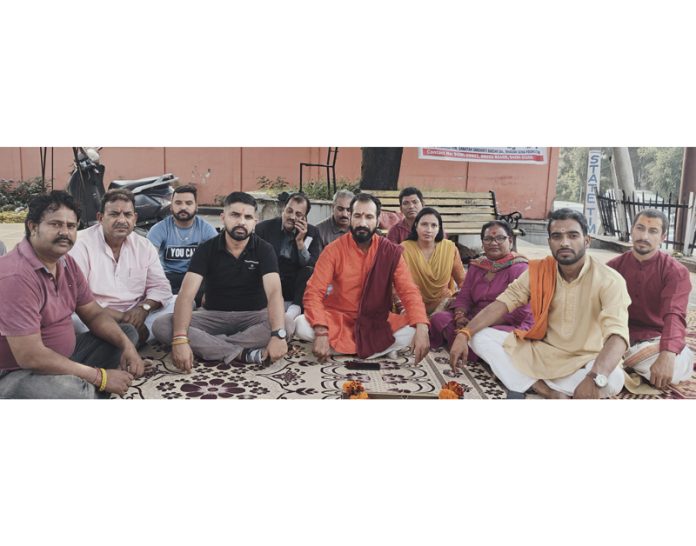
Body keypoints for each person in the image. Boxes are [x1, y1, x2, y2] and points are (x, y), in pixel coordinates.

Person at [449, 208, 631, 399]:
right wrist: (465, 333)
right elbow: (503, 303)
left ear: (586, 241)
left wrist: (594, 377)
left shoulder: (609, 280)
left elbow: (618, 335)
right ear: (549, 242)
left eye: (572, 235)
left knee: (614, 379)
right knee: (480, 336)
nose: (564, 242)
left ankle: (524, 381)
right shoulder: (539, 271)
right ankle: (546, 390)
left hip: (586, 360)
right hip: (543, 351)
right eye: (557, 236)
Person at [0, 191, 142, 398]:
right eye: (55, 224)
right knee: (73, 391)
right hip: (17, 372)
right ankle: (85, 389)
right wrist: (100, 377)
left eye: (71, 226)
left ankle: (82, 385)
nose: (65, 232)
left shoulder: (66, 262)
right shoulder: (15, 275)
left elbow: (93, 314)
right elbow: (30, 356)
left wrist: (128, 347)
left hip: (65, 357)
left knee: (126, 334)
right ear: (32, 227)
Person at [152, 191, 293, 370]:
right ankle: (241, 353)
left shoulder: (264, 250)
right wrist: (180, 338)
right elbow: (186, 295)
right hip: (212, 316)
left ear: (254, 222)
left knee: (286, 324)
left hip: (253, 315)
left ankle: (213, 345)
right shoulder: (206, 249)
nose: (241, 222)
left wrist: (278, 335)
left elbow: (274, 293)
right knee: (162, 325)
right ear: (223, 217)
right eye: (235, 215)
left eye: (248, 217)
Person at [295, 193, 430, 363]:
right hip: (339, 319)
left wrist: (422, 327)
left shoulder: (389, 251)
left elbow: (409, 290)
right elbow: (313, 292)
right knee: (301, 324)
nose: (362, 223)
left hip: (376, 321)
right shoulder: (333, 250)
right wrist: (321, 332)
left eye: (369, 217)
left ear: (377, 219)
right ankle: (378, 349)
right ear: (350, 216)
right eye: (357, 216)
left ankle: (341, 350)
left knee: (414, 325)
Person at [70, 188, 174, 345]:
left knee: (179, 303)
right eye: (114, 214)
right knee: (73, 320)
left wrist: (143, 309)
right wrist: (123, 318)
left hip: (137, 313)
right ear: (100, 217)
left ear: (135, 218)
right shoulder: (80, 244)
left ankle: (119, 340)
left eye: (127, 214)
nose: (121, 220)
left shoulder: (143, 245)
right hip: (95, 315)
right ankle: (130, 337)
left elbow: (161, 286)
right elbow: (77, 299)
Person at [607, 209, 693, 389]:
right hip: (618, 337)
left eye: (653, 231)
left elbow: (674, 314)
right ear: (632, 230)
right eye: (640, 228)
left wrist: (667, 354)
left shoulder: (675, 271)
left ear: (662, 237)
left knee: (677, 364)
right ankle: (624, 363)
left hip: (655, 339)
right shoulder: (612, 268)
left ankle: (623, 365)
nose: (644, 236)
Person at [430, 220, 533, 358]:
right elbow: (464, 295)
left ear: (510, 241)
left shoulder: (520, 268)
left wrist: (477, 324)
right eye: (488, 238)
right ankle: (472, 347)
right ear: (482, 242)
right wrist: (461, 316)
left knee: (485, 337)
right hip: (472, 317)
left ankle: (471, 346)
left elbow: (520, 312)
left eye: (499, 238)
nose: (493, 243)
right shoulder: (478, 265)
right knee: (439, 318)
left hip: (504, 322)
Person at [255, 192, 323, 321]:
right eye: (289, 211)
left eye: (298, 214)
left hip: (295, 285)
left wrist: (300, 242)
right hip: (270, 281)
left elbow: (312, 264)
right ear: (283, 209)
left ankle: (293, 312)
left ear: (304, 218)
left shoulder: (312, 232)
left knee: (309, 270)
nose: (292, 217)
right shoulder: (263, 229)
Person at [146, 184, 218, 297]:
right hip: (168, 277)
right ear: (171, 207)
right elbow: (148, 261)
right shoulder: (159, 229)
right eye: (178, 203)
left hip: (195, 276)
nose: (183, 207)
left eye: (188, 203)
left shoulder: (206, 229)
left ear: (196, 206)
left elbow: (218, 259)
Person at [400, 207, 465, 314]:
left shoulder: (449, 248)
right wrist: (402, 307)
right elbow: (397, 284)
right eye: (424, 224)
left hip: (444, 305)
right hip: (412, 306)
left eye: (433, 225)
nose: (428, 230)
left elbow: (462, 281)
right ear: (416, 225)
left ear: (439, 228)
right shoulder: (404, 249)